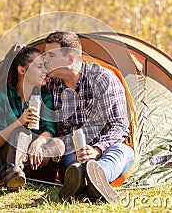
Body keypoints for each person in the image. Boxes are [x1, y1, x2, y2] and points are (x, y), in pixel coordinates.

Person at [43, 31, 134, 203]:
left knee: (123, 152)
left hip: (107, 147)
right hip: (73, 151)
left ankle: (97, 176)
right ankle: (84, 181)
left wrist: (97, 149)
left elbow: (119, 125)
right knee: (70, 164)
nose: (45, 61)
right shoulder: (50, 85)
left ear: (70, 59)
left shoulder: (103, 79)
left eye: (51, 56)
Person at [0, 44, 65, 192]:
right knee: (21, 133)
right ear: (22, 70)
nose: (45, 71)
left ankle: (3, 174)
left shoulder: (45, 96)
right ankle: (11, 172)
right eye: (39, 67)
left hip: (35, 158)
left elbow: (49, 129)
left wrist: (39, 142)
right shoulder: (1, 97)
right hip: (5, 152)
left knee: (59, 144)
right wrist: (19, 122)